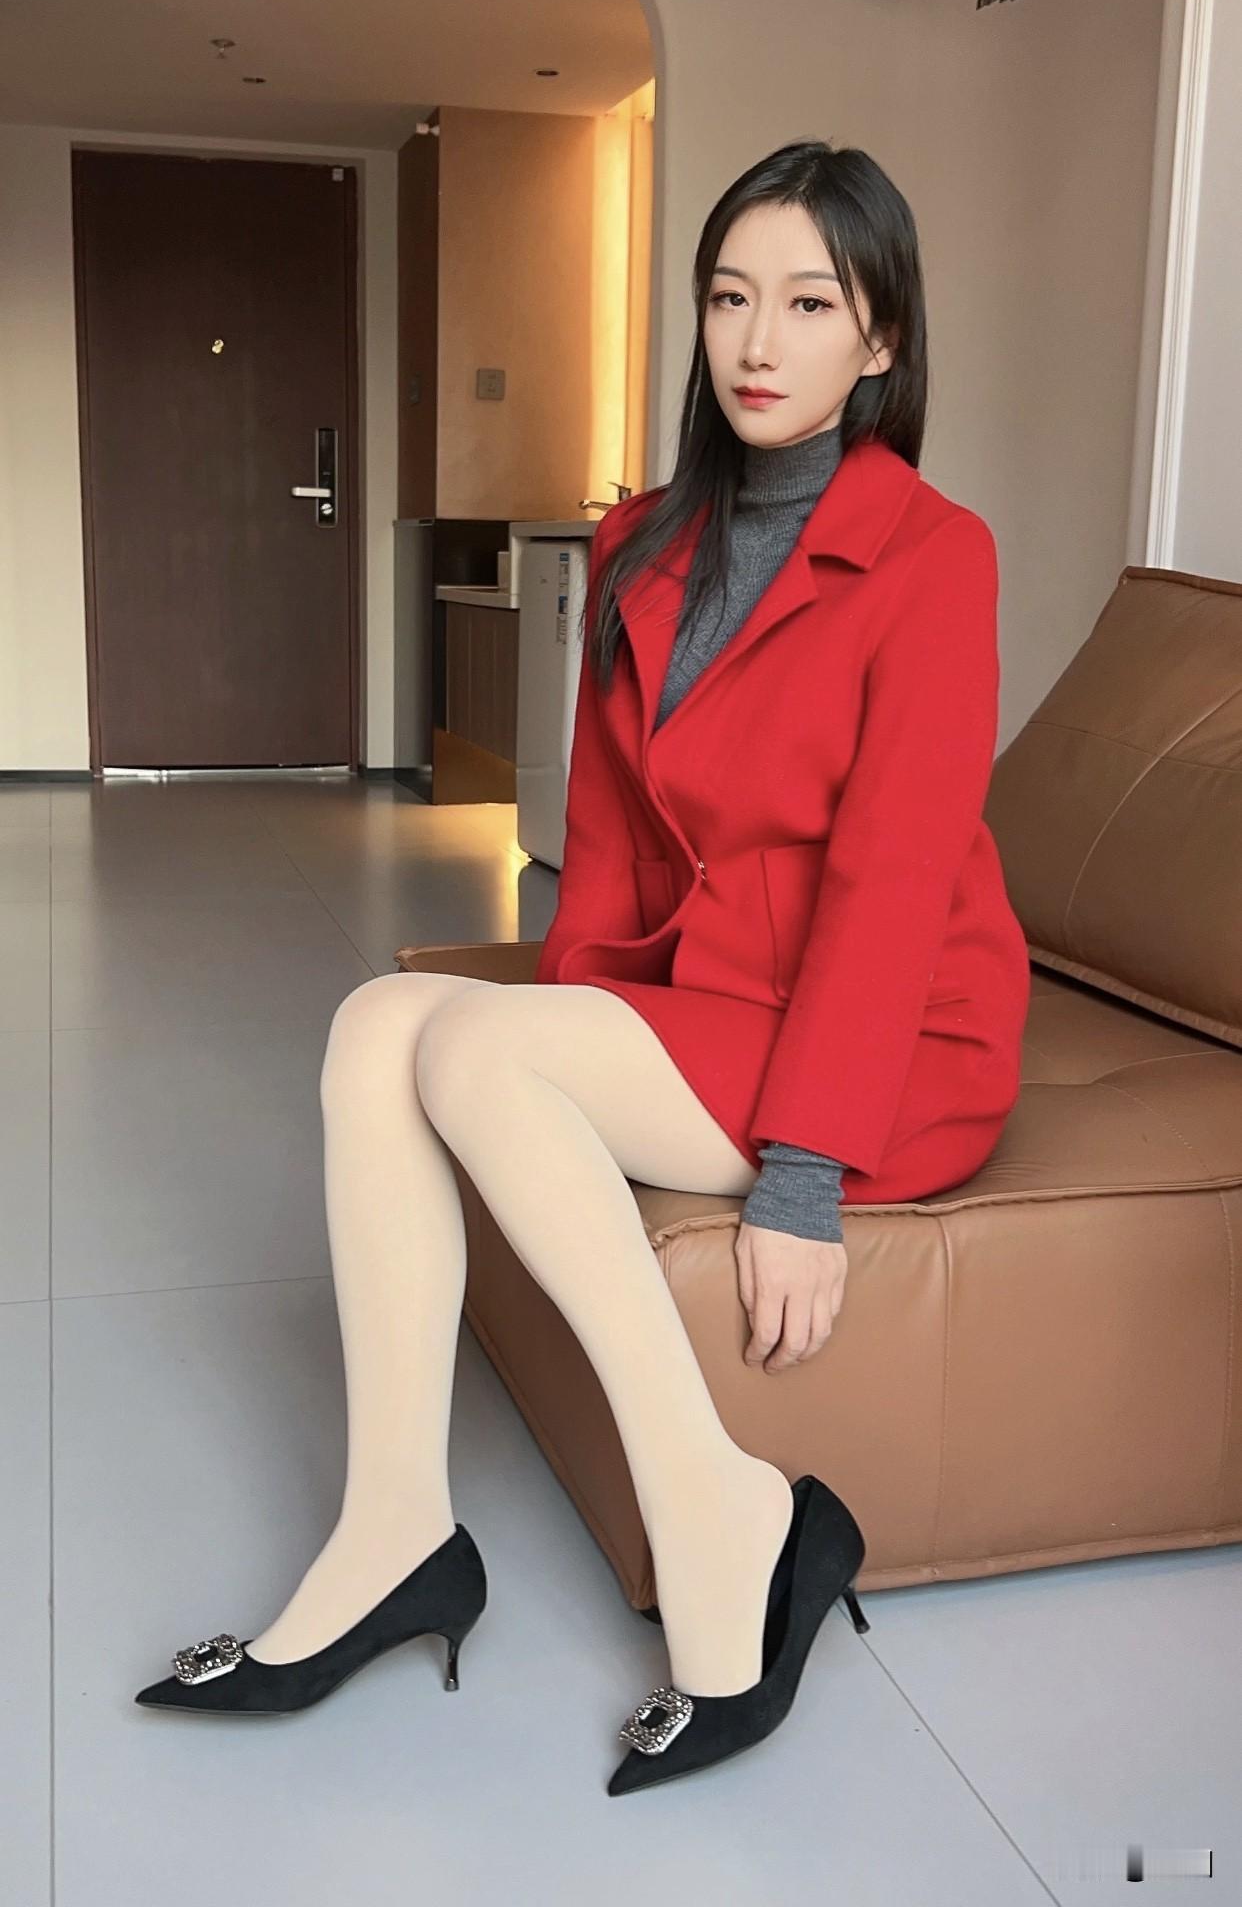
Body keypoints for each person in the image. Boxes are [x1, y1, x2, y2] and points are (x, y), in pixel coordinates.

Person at [132, 138, 1029, 1795]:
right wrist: (561, 1027)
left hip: (896, 1035)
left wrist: (803, 1178)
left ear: (881, 337)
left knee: (472, 1050)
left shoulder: (932, 553)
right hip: (711, 997)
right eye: (728, 297)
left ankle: (724, 1512)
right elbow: (609, 845)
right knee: (381, 1022)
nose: (757, 340)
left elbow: (895, 880)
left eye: (809, 304)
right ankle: (396, 1530)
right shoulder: (642, 544)